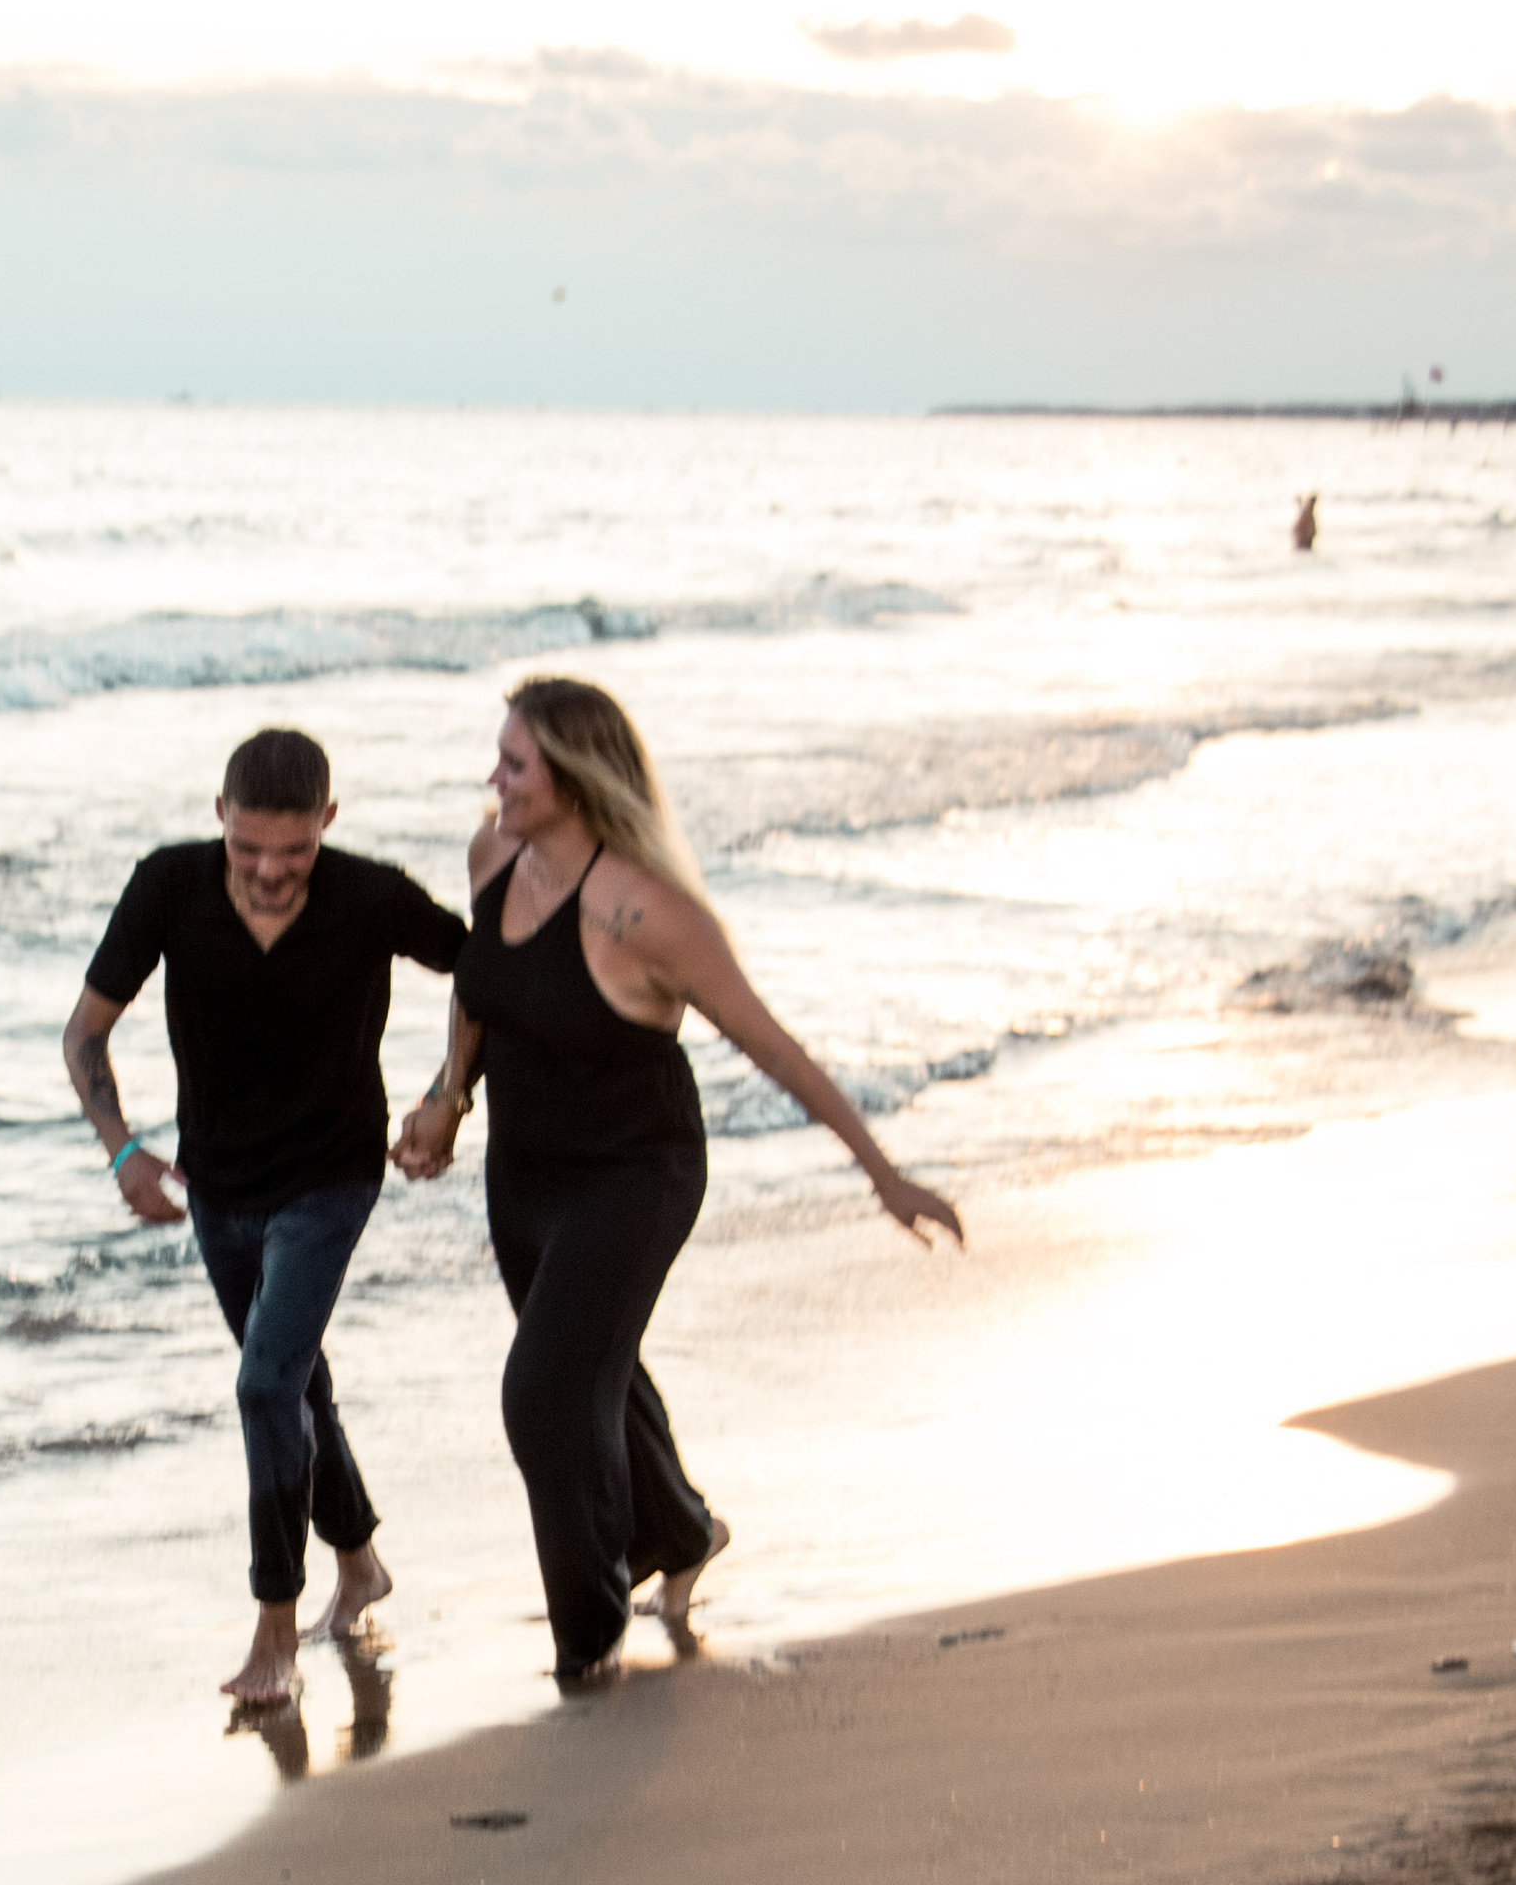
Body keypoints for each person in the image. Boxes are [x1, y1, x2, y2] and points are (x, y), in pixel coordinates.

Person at [392, 677, 962, 1687]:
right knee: (591, 1366)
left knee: (545, 1391)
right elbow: (481, 993)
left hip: (636, 1172)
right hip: (522, 1173)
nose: (495, 779)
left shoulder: (647, 912)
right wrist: (447, 1098)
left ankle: (588, 1639)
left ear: (574, 777)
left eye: (515, 764)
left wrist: (884, 1175)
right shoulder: (491, 855)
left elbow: (773, 1049)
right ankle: (683, 1531)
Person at [65, 726, 467, 1708]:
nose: (271, 871)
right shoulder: (169, 886)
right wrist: (121, 1149)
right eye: (249, 850)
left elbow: (486, 969)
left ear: (326, 824)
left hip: (331, 1179)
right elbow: (85, 1031)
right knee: (293, 1385)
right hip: (218, 1189)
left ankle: (275, 1634)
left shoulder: (370, 895)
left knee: (262, 1386)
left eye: (293, 851)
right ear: (220, 820)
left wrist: (448, 1093)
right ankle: (360, 1562)